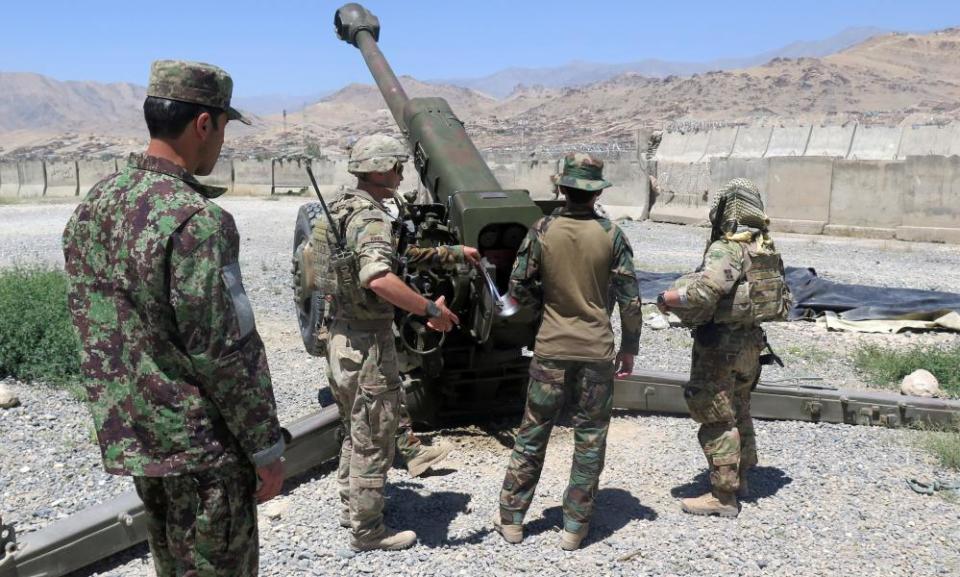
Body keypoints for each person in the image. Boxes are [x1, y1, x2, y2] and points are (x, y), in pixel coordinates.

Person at [62, 60, 284, 576]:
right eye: (224, 127)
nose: (222, 142)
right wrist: (264, 445)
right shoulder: (198, 220)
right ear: (203, 123)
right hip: (203, 449)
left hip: (138, 437)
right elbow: (225, 349)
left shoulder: (98, 202)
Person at [319, 133, 479, 551]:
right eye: (395, 166)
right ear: (376, 169)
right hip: (368, 341)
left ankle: (351, 506)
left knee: (355, 428)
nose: (400, 172)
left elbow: (399, 256)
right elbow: (378, 276)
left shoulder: (341, 208)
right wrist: (431, 311)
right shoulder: (370, 217)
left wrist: (453, 252)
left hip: (341, 336)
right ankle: (368, 531)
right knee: (375, 433)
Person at [493, 153, 642, 551]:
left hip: (551, 350)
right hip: (596, 351)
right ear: (595, 192)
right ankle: (575, 527)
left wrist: (523, 306)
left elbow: (519, 290)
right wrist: (629, 348)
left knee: (533, 431)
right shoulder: (612, 235)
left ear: (563, 189)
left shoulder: (541, 231)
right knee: (590, 437)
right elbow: (630, 300)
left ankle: (512, 520)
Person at [657, 178, 791, 518]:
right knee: (739, 408)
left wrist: (667, 298)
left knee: (715, 414)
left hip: (722, 346)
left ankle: (723, 495)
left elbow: (704, 293)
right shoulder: (765, 248)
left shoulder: (728, 247)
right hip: (751, 343)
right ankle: (741, 476)